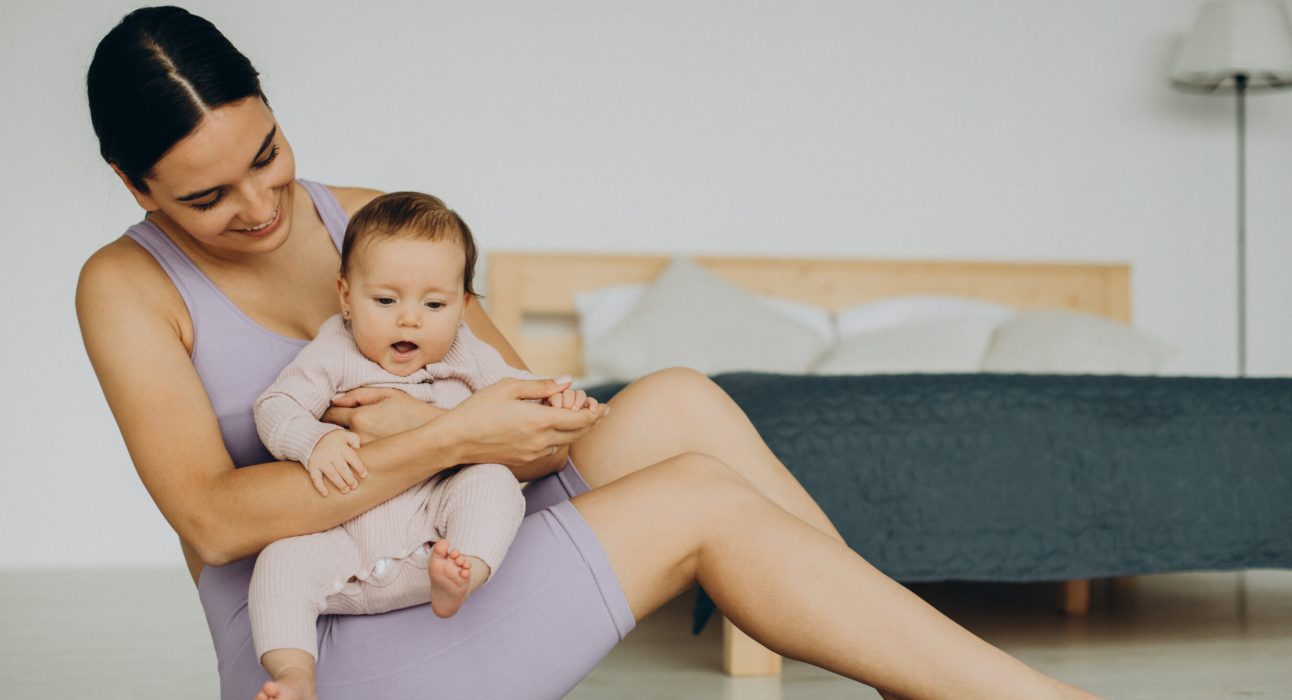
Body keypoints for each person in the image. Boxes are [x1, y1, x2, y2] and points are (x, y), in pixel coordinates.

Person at [76, 6, 1095, 699]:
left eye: (267, 157)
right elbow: (212, 522)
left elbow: (523, 421)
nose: (259, 208)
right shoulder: (125, 286)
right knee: (699, 496)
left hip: (459, 540)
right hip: (329, 629)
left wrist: (471, 426)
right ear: (138, 188)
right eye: (207, 198)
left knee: (682, 401)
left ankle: (917, 676)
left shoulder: (370, 222)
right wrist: (439, 438)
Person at [247, 191, 603, 698]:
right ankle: (294, 674)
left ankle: (463, 574)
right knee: (279, 562)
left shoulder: (466, 350)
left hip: (431, 540)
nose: (409, 319)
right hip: (341, 543)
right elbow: (275, 405)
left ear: (462, 305)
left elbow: (518, 390)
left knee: (492, 480)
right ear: (346, 297)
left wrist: (558, 404)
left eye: (434, 304)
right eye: (386, 301)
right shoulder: (335, 348)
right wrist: (314, 439)